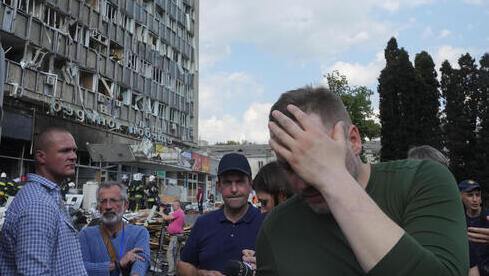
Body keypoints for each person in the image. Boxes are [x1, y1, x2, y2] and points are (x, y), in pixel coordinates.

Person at [256, 86, 468, 275]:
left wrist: (333, 179)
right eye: (290, 167)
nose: (303, 182)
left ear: (354, 141)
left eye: (314, 159)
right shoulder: (276, 229)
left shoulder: (421, 180)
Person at [0, 128, 87, 275]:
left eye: (74, 150)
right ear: (41, 156)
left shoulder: (49, 194)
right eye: (64, 151)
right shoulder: (38, 204)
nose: (73, 156)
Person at [178, 153, 266, 275]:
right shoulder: (203, 223)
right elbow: (182, 266)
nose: (234, 189)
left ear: (250, 184)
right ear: (219, 186)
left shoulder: (266, 223)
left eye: (240, 182)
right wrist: (201, 274)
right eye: (227, 182)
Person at [79, 181, 151, 276]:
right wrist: (117, 265)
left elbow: (141, 260)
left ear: (125, 205)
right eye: (103, 201)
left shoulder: (139, 232)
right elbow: (81, 267)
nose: (108, 206)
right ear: (99, 207)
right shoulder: (86, 235)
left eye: (114, 200)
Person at [459, 179, 489, 276]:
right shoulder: (460, 222)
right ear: (460, 196)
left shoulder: (488, 217)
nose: (475, 199)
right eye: (470, 195)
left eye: (478, 195)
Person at [160, 200, 186, 276]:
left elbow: (166, 218)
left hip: (176, 237)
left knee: (170, 254)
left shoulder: (178, 212)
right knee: (177, 255)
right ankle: (177, 272)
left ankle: (171, 273)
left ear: (178, 205)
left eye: (174, 205)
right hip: (177, 236)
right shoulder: (179, 212)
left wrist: (161, 211)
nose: (172, 207)